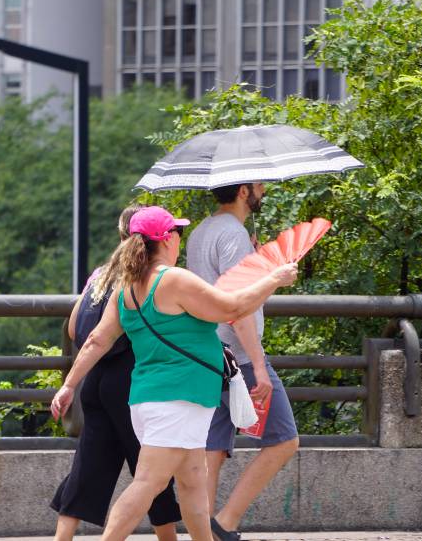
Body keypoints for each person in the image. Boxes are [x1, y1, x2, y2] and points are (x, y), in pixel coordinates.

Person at [51, 205, 297, 541]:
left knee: (194, 481)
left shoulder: (127, 287)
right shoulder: (174, 279)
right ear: (166, 239)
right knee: (147, 484)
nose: (180, 239)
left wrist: (68, 386)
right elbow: (233, 308)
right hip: (178, 398)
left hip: (154, 398)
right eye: (178, 233)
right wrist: (274, 279)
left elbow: (96, 340)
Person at [51, 204, 182, 541]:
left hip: (95, 382)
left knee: (88, 469)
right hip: (131, 380)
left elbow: (74, 329)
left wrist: (69, 385)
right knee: (153, 470)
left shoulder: (101, 272)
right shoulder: (148, 277)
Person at [185, 182, 300, 541]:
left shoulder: (201, 231)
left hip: (207, 350)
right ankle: (226, 522)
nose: (263, 193)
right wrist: (260, 365)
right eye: (259, 187)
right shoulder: (233, 233)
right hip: (239, 357)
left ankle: (201, 532)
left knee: (212, 448)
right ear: (243, 191)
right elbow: (239, 308)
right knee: (284, 440)